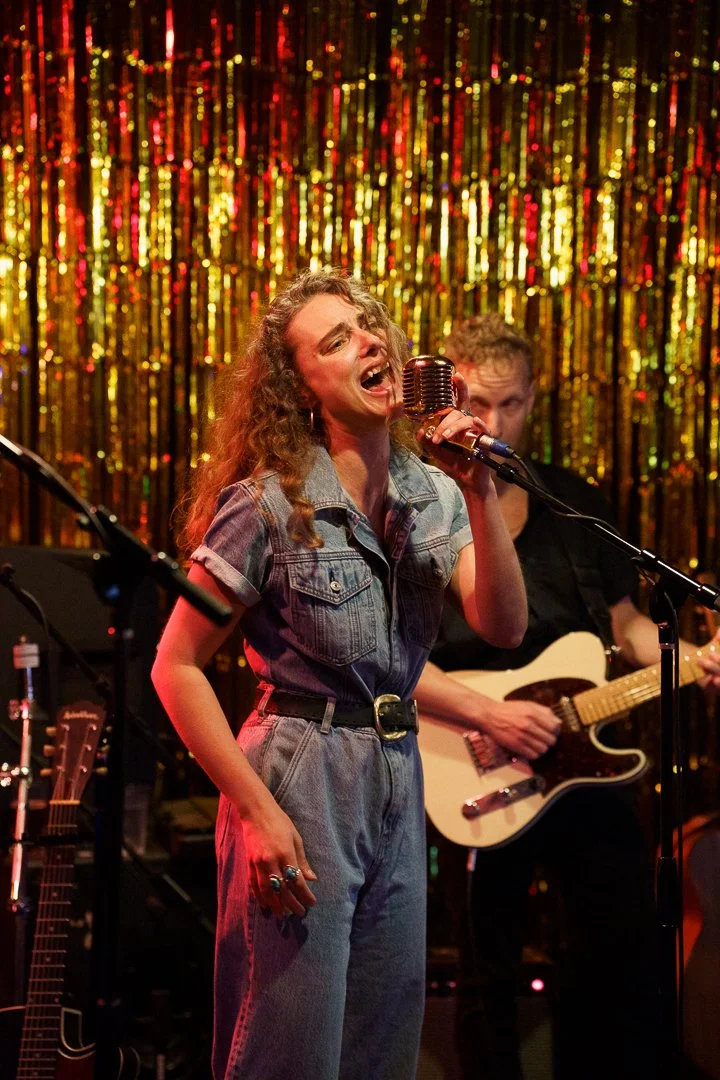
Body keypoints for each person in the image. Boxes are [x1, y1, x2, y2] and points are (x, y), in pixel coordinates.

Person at [150, 272, 528, 1080]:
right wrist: (255, 814)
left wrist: (482, 491)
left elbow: (503, 624)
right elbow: (174, 665)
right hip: (300, 771)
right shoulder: (269, 504)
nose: (367, 340)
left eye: (368, 326)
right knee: (288, 1047)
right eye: (336, 340)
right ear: (302, 389)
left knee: (381, 1045)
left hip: (398, 771)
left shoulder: (437, 495)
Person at [413, 314, 720, 1080]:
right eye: (476, 402)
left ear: (531, 400)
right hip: (472, 756)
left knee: (621, 945)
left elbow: (625, 629)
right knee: (489, 967)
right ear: (446, 394)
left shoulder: (568, 499)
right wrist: (485, 715)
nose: (491, 422)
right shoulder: (413, 503)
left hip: (582, 759)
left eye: (510, 404)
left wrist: (694, 657)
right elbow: (381, 658)